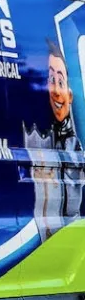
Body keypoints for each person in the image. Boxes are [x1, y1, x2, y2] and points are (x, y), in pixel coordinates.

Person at [24, 39, 85, 240]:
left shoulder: (74, 146)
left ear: (71, 94)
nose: (57, 91)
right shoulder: (35, 138)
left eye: (61, 82)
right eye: (51, 80)